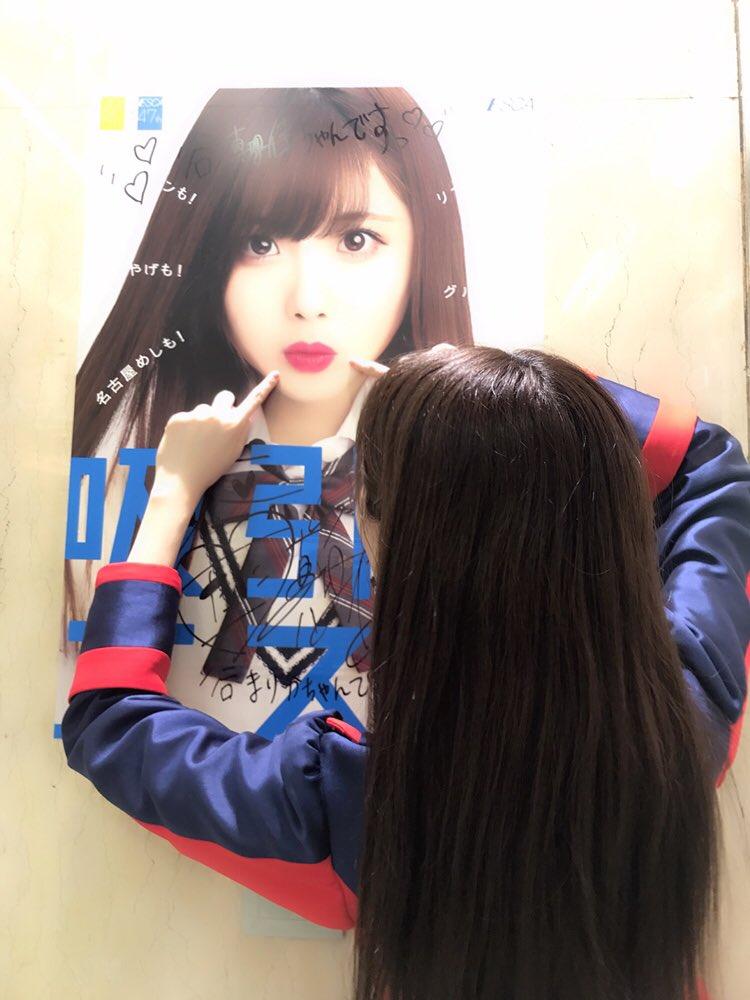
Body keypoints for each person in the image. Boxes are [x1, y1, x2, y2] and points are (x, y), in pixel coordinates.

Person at [61, 345, 750, 1000]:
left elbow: (109, 723)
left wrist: (173, 489)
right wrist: (491, 406)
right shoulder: (685, 715)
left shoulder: (348, 804)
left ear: (392, 535)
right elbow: (706, 463)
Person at [60, 87, 473, 735]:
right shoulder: (116, 460)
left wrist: (484, 404)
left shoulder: (476, 466)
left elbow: (112, 730)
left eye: (356, 239)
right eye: (258, 243)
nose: (306, 301)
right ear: (207, 258)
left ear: (424, 249)